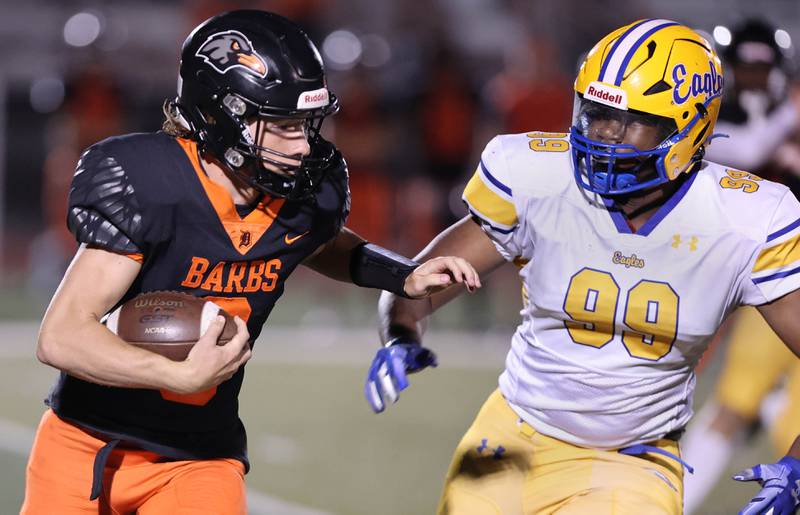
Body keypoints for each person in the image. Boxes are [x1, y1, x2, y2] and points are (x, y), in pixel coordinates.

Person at [21, 10, 478, 515]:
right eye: (283, 125)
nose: (304, 145)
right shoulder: (153, 185)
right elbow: (61, 336)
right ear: (222, 116)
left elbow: (323, 243)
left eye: (307, 124)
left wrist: (402, 274)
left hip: (197, 453)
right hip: (84, 445)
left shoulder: (303, 198)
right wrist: (172, 375)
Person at [364, 19, 800, 515]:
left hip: (632, 459)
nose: (603, 134)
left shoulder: (742, 218)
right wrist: (402, 333)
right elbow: (415, 282)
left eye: (629, 120)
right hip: (513, 436)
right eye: (596, 113)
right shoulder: (539, 176)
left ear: (687, 126)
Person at [681, 18, 800, 514]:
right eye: (744, 69)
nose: (753, 79)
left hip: (773, 275)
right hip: (760, 276)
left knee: (778, 422)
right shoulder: (718, 119)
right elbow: (747, 151)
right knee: (734, 405)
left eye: (760, 69)